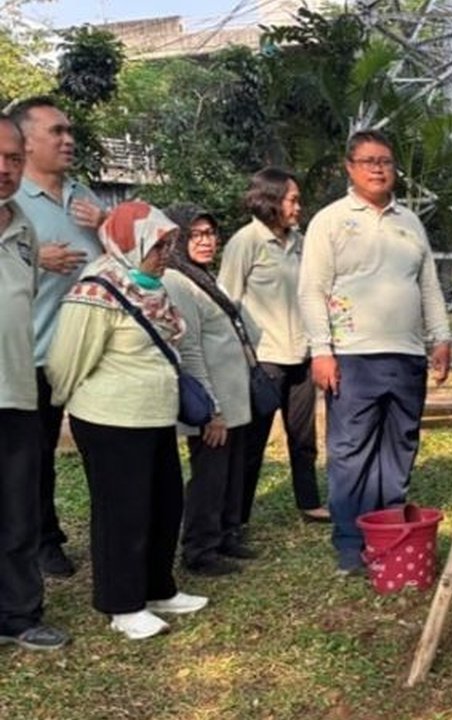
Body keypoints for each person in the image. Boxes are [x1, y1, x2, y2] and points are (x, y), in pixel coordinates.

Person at [46, 202, 209, 641]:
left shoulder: (152, 287)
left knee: (163, 503)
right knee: (123, 513)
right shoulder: (98, 288)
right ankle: (122, 603)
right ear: (129, 242)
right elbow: (66, 360)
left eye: (167, 244)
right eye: (157, 245)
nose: (164, 253)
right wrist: (71, 403)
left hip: (154, 417)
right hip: (110, 420)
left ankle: (158, 588)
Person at [298, 129, 452, 575]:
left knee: (398, 447)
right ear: (350, 167)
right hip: (352, 356)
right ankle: (350, 544)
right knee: (351, 451)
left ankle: (388, 533)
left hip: (406, 355)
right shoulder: (330, 221)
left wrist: (440, 338)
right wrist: (321, 351)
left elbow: (427, 285)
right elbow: (312, 290)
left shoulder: (410, 221)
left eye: (384, 160)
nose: (378, 168)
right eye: (368, 161)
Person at [11, 96, 108, 579]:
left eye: (70, 130)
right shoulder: (10, 203)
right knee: (37, 459)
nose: (69, 139)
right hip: (37, 354)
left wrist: (108, 226)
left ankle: (114, 535)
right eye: (56, 131)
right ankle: (46, 541)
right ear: (24, 143)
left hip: (96, 354)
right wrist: (34, 258)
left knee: (105, 450)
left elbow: (126, 259)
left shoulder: (86, 196)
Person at [219, 167, 328, 526]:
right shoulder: (245, 242)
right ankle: (237, 517)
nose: (299, 207)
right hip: (264, 361)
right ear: (271, 201)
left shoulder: (301, 241)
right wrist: (242, 355)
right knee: (251, 444)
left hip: (302, 356)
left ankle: (309, 502)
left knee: (303, 437)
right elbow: (226, 303)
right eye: (293, 199)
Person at [0, 115, 69, 651]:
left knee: (19, 511)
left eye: (14, 158)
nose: (6, 168)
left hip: (18, 391)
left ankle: (20, 615)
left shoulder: (22, 224)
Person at [162, 205, 254, 576]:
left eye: (211, 233)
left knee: (228, 472)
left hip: (232, 396)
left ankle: (225, 534)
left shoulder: (202, 276)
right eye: (196, 234)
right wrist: (211, 409)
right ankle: (199, 549)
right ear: (180, 238)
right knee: (209, 475)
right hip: (213, 400)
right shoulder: (177, 280)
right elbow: (191, 347)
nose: (206, 241)